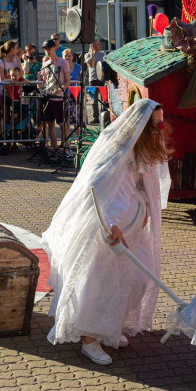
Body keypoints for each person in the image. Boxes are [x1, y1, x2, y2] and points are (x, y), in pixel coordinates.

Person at [42, 99, 171, 365]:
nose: (160, 129)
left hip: (132, 230)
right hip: (107, 231)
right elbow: (103, 188)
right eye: (156, 124)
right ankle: (91, 339)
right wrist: (111, 225)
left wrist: (145, 209)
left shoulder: (144, 149)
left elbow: (147, 185)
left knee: (135, 281)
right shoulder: (118, 150)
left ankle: (110, 327)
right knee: (101, 284)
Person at [37, 38, 70, 151]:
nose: (47, 51)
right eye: (45, 49)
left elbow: (67, 81)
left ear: (53, 48)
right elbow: (44, 81)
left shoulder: (63, 62)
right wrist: (40, 85)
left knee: (62, 124)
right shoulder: (45, 64)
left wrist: (61, 90)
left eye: (48, 49)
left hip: (59, 98)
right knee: (50, 124)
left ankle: (65, 148)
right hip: (48, 97)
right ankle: (55, 149)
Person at [84, 39, 104, 124]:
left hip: (102, 79)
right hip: (93, 79)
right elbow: (92, 64)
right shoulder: (87, 55)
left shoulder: (103, 54)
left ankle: (104, 116)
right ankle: (96, 117)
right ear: (93, 46)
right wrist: (92, 52)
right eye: (98, 44)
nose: (100, 45)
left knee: (104, 99)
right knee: (94, 100)